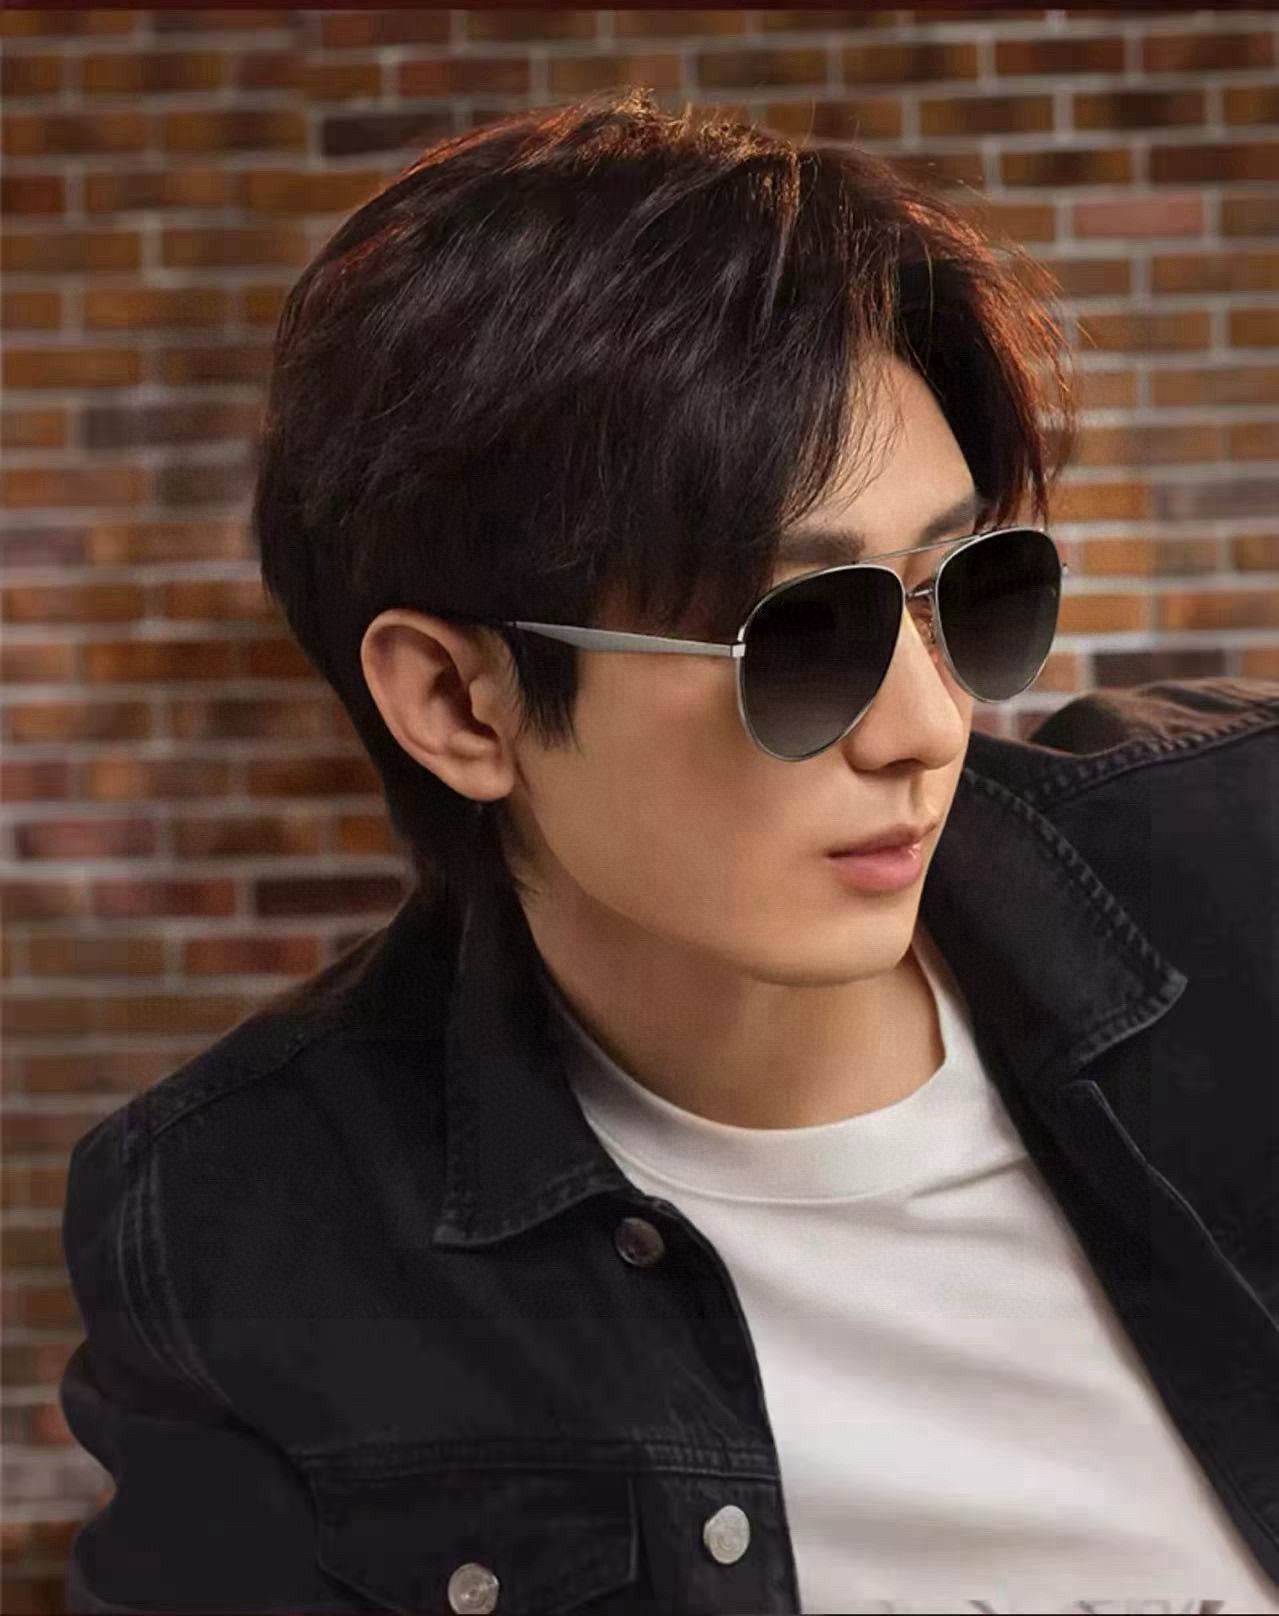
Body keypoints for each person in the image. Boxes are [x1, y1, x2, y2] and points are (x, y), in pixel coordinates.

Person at [59, 89, 1279, 1615]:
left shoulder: (1247, 872)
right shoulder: (246, 1233)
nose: (927, 726)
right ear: (458, 704)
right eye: (804, 638)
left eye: (961, 592)